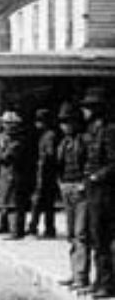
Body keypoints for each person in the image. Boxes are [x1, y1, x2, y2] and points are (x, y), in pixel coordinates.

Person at [78, 87, 115, 300]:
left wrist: (95, 177)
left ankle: (107, 284)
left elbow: (113, 163)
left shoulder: (109, 130)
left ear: (96, 109)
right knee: (94, 238)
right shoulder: (93, 130)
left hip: (105, 193)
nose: (83, 110)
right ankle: (99, 281)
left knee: (103, 239)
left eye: (87, 107)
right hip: (93, 192)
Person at [55, 101, 90, 290]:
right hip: (67, 188)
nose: (65, 126)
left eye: (68, 122)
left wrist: (84, 184)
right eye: (62, 122)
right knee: (70, 234)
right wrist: (60, 184)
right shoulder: (63, 143)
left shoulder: (84, 140)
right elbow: (58, 166)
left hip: (80, 189)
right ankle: (75, 272)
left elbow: (90, 163)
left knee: (81, 233)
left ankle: (81, 276)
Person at [0, 110, 31, 239]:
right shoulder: (2, 137)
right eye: (4, 123)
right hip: (3, 174)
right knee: (4, 200)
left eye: (8, 123)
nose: (5, 125)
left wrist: (1, 150)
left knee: (14, 202)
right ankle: (4, 225)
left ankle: (16, 230)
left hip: (14, 174)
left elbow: (7, 156)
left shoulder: (19, 140)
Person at [28, 108, 59, 238]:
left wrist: (41, 161)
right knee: (47, 204)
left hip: (45, 173)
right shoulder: (45, 135)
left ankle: (34, 227)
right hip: (46, 173)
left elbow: (50, 155)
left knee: (38, 202)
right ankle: (48, 228)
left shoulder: (49, 135)